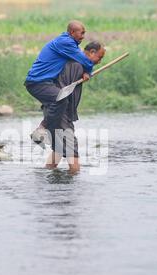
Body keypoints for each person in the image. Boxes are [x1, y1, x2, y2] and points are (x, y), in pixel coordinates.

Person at [24, 21, 106, 174]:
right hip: (47, 96)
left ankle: (47, 179)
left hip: (55, 107)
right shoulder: (73, 56)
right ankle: (42, 128)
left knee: (59, 151)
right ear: (92, 52)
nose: (99, 62)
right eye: (99, 58)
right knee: (71, 151)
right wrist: (87, 69)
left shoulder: (71, 52)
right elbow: (82, 66)